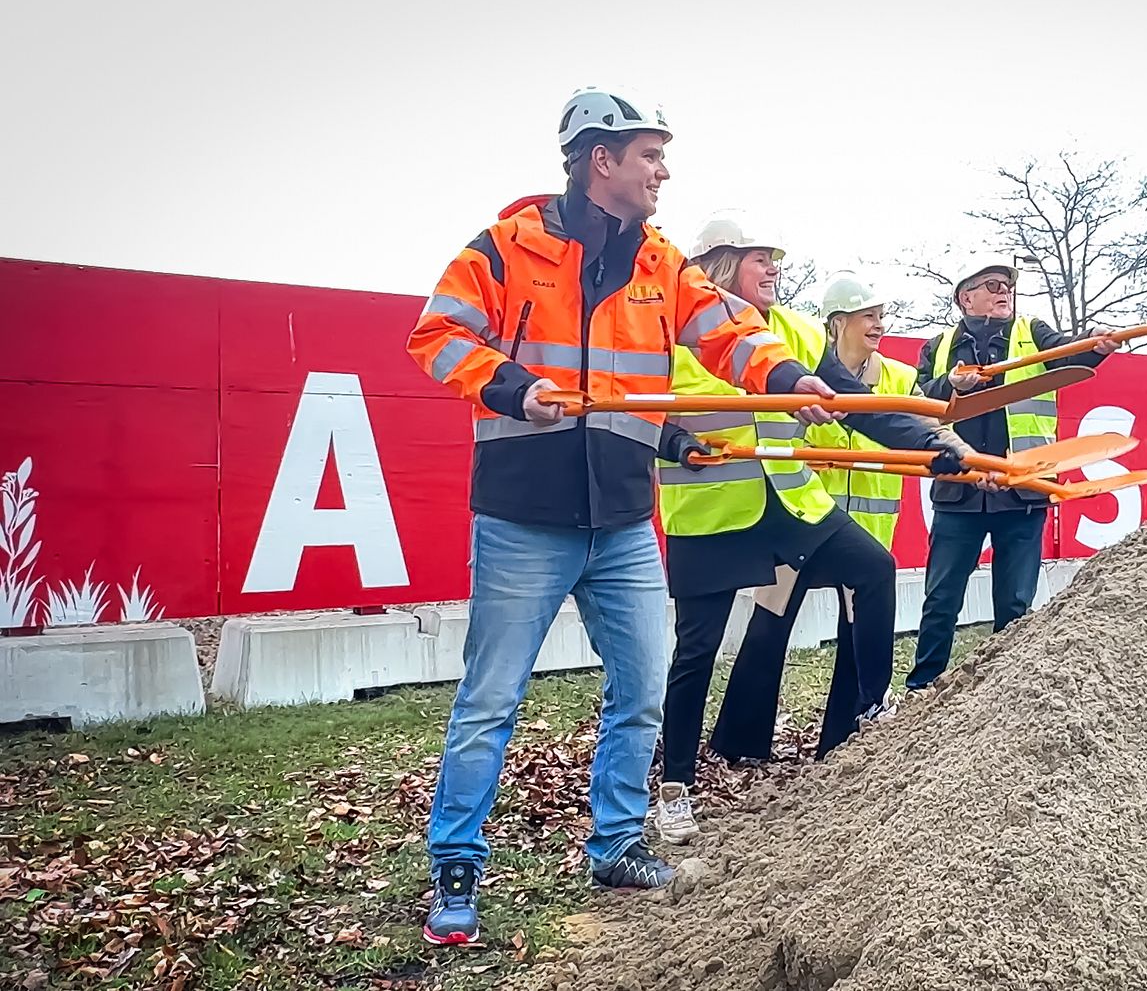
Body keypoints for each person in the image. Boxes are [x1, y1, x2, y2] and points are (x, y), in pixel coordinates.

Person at [405, 88, 842, 945]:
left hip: (623, 519)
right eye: (650, 154)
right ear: (598, 158)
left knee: (641, 685)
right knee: (491, 700)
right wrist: (509, 384)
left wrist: (788, 381)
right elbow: (438, 335)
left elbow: (728, 330)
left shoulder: (662, 264)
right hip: (522, 515)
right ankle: (456, 867)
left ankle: (614, 843)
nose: (663, 170)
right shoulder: (503, 249)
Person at [652, 225, 969, 844]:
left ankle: (869, 714)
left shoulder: (793, 332)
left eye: (773, 262)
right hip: (712, 515)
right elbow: (646, 409)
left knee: (874, 570)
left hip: (793, 505)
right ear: (719, 267)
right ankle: (675, 786)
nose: (772, 270)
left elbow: (855, 401)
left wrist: (933, 445)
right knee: (696, 653)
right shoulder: (674, 337)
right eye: (758, 261)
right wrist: (677, 442)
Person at [698, 271, 920, 778]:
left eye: (881, 317)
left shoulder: (899, 379)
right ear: (838, 322)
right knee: (769, 623)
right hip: (803, 518)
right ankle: (739, 740)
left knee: (854, 631)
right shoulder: (799, 366)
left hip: (858, 529)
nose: (878, 326)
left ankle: (842, 740)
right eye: (869, 316)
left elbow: (910, 420)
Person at [905, 256, 1121, 691]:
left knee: (1015, 603)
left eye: (1007, 285)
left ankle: (1004, 694)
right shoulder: (939, 346)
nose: (1004, 291)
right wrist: (951, 384)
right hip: (960, 493)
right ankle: (923, 688)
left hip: (1023, 492)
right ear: (965, 297)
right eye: (991, 284)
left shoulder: (1032, 333)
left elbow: (1069, 354)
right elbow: (917, 401)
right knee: (941, 599)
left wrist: (1095, 343)